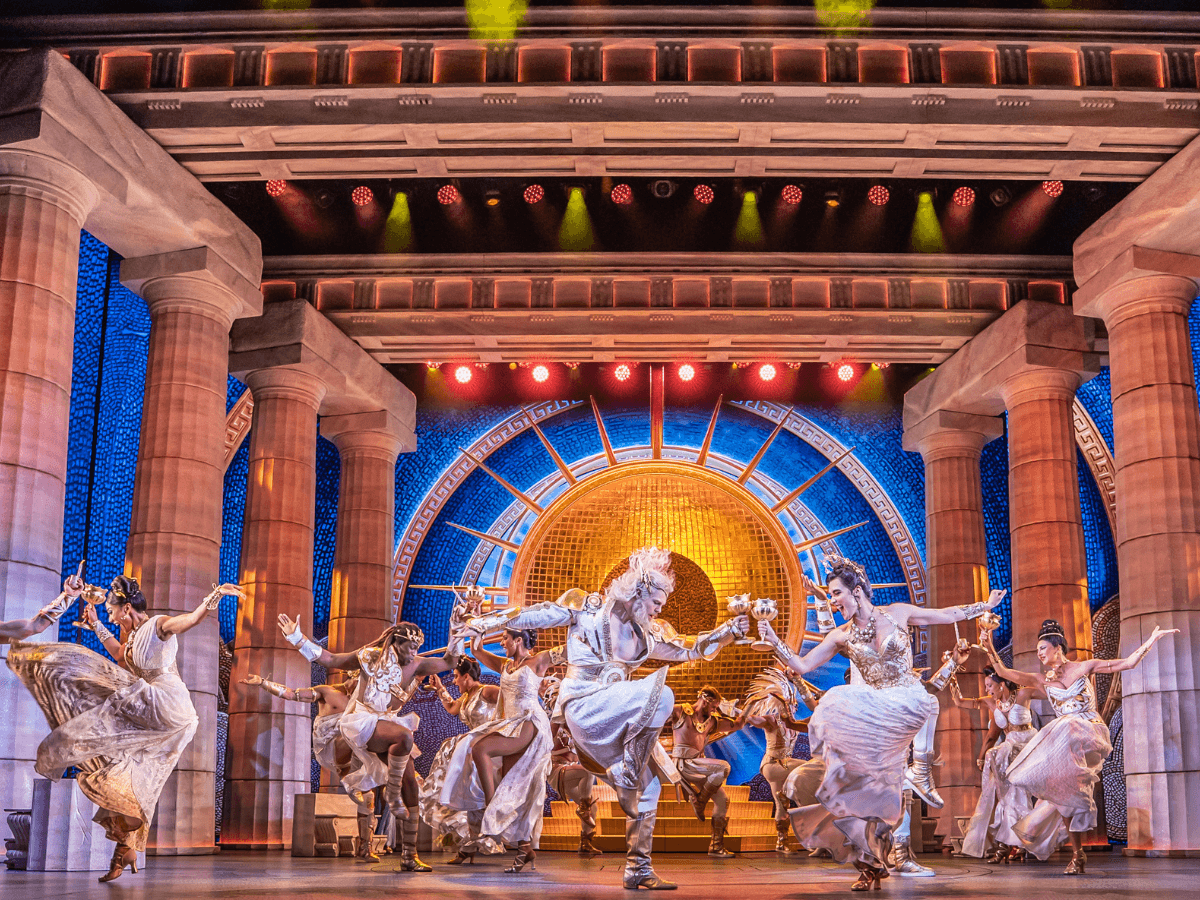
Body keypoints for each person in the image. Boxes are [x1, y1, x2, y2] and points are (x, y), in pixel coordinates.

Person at [459, 546, 749, 890]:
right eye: (657, 601)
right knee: (664, 694)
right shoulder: (587, 607)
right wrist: (482, 621)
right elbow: (533, 614)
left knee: (651, 786)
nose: (661, 608)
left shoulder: (649, 632)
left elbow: (689, 648)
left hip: (617, 713)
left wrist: (728, 630)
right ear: (638, 593)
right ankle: (626, 775)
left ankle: (638, 869)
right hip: (582, 703)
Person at [756, 555, 1001, 892]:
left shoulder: (898, 612)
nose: (834, 600)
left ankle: (921, 773)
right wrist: (772, 637)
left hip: (907, 700)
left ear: (857, 591)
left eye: (837, 593)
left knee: (927, 704)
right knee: (863, 791)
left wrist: (982, 605)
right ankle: (869, 862)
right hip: (877, 711)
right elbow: (801, 664)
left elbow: (945, 615)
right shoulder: (841, 636)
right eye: (830, 595)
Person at [7, 574, 243, 882]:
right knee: (133, 777)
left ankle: (75, 726)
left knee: (95, 687)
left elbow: (189, 620)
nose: (108, 614)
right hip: (152, 705)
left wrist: (216, 597)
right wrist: (94, 624)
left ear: (126, 607)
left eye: (110, 610)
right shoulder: (131, 639)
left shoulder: (157, 625)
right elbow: (119, 654)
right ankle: (125, 849)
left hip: (166, 703)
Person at [980, 618, 1176, 874]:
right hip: (1064, 740)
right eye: (1038, 650)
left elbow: (1127, 663)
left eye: (1042, 648)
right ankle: (1077, 853)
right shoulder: (1041, 680)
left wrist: (1150, 641)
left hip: (1087, 729)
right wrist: (989, 648)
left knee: (1065, 725)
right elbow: (1005, 674)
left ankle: (1076, 835)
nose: (1038, 653)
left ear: (1057, 648)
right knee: (1063, 796)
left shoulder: (1084, 667)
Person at [277, 615, 459, 872]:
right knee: (404, 736)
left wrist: (458, 629)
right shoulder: (368, 657)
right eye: (411, 647)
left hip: (386, 724)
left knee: (411, 784)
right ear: (397, 642)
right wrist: (297, 637)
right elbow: (330, 659)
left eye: (418, 648)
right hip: (361, 722)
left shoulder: (417, 665)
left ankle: (409, 855)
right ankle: (391, 794)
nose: (415, 652)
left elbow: (450, 661)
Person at [431, 628, 555, 872]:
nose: (501, 642)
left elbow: (572, 650)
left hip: (529, 722)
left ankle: (491, 806)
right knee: (513, 787)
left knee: (479, 748)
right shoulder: (506, 665)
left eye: (505, 638)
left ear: (518, 639)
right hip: (510, 726)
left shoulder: (538, 661)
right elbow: (476, 650)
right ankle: (524, 849)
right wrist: (476, 626)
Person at [240, 673, 379, 861]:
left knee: (368, 795)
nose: (362, 687)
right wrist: (264, 683)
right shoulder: (326, 691)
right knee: (363, 730)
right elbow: (292, 694)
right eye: (361, 681)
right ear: (352, 675)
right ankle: (355, 779)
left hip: (351, 752)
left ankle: (365, 847)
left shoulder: (364, 699)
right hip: (329, 746)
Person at [952, 666, 1036, 863]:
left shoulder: (1023, 695)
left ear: (1002, 684)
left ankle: (1014, 844)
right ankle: (1009, 845)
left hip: (1028, 747)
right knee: (1009, 796)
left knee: (1016, 790)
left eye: (990, 685)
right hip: (1009, 751)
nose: (987, 690)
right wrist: (952, 679)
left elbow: (1046, 689)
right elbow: (959, 702)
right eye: (986, 686)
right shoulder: (992, 702)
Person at [419, 656, 500, 861]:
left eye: (456, 677)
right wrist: (439, 689)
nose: (454, 682)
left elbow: (512, 698)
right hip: (471, 752)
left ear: (466, 676)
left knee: (479, 796)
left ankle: (486, 841)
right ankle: (469, 847)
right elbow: (452, 708)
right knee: (469, 797)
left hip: (488, 748)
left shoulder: (487, 691)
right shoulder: (465, 698)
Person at [742, 665, 818, 855]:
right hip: (772, 765)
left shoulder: (795, 724)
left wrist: (799, 682)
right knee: (809, 770)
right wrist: (739, 711)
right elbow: (751, 719)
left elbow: (816, 717)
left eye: (793, 705)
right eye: (788, 705)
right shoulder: (771, 720)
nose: (792, 708)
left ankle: (781, 842)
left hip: (785, 765)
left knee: (781, 802)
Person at [664, 685, 744, 858]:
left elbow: (738, 725)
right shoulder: (679, 711)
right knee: (723, 767)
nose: (715, 710)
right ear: (705, 701)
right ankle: (700, 801)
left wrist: (746, 708)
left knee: (722, 800)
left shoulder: (712, 721)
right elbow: (655, 715)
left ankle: (716, 847)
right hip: (682, 764)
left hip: (699, 765)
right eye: (714, 706)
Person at [541, 673, 603, 856]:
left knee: (593, 806)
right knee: (588, 770)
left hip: (570, 772)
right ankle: (583, 808)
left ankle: (585, 843)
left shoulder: (575, 720)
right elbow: (546, 744)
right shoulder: (554, 721)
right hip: (556, 770)